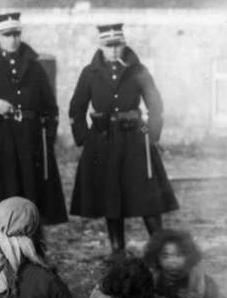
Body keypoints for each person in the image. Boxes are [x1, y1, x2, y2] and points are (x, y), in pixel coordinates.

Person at [69, 23, 178, 256]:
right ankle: (117, 250)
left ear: (124, 44)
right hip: (104, 142)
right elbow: (76, 108)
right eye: (109, 46)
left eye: (118, 44)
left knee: (148, 198)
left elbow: (155, 105)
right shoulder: (90, 73)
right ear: (101, 47)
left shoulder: (138, 70)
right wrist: (87, 138)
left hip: (136, 143)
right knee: (111, 198)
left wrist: (152, 135)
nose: (114, 50)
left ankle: (160, 249)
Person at [0, 13, 67, 231]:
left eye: (16, 34)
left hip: (31, 145)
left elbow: (50, 108)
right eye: (7, 35)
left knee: (31, 203)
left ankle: (32, 255)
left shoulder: (35, 68)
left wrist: (47, 141)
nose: (13, 39)